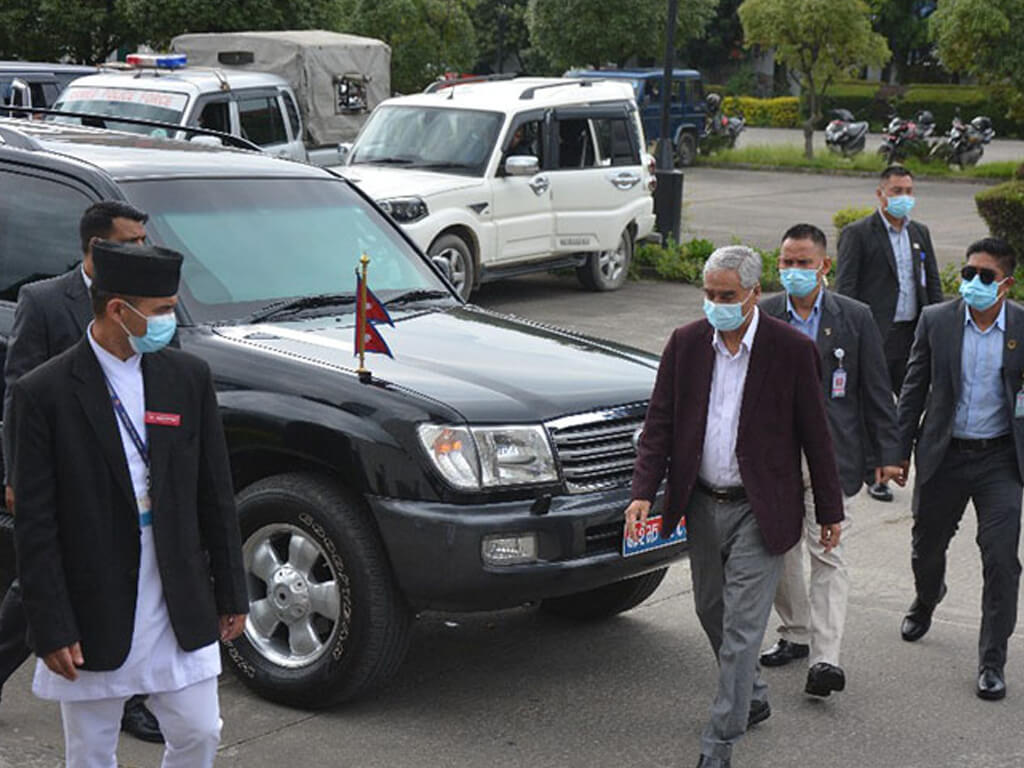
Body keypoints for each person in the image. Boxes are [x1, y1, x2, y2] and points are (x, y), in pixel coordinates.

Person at [9, 240, 248, 767]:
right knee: (92, 748)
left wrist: (232, 589)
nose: (171, 321)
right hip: (94, 600)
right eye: (162, 311)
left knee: (200, 731)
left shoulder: (186, 379)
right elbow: (36, 524)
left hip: (175, 590)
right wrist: (50, 625)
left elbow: (215, 492)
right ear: (119, 310)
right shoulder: (44, 393)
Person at [626, 245, 844, 768]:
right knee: (710, 608)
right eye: (709, 294)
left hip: (760, 506)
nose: (717, 304)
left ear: (752, 293)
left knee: (745, 628)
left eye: (727, 295)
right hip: (701, 502)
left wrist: (831, 511)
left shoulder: (789, 349)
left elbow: (817, 435)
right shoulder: (686, 344)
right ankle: (755, 694)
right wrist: (641, 491)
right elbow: (659, 426)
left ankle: (720, 739)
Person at [0, 201, 165, 743]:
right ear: (97, 247)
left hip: (133, 479)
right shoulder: (45, 302)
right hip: (70, 480)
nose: (143, 249)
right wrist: (17, 477)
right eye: (131, 241)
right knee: (37, 593)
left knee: (136, 585)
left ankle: (131, 697)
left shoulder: (149, 301)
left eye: (145, 240)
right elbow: (18, 397)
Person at [758, 224, 902, 696]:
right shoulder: (762, 314)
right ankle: (796, 632)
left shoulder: (854, 317)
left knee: (829, 553)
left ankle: (825, 658)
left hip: (833, 455)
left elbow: (876, 389)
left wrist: (887, 453)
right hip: (776, 457)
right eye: (786, 262)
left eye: (803, 263)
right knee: (780, 551)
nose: (793, 271)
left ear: (825, 266)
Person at [896, 237, 1023, 702]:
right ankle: (928, 597)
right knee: (926, 547)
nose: (973, 282)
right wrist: (897, 451)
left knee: (1001, 559)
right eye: (968, 273)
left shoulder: (1022, 326)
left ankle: (992, 660)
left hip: (1000, 459)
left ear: (1005, 285)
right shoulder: (937, 321)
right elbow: (913, 389)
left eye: (985, 276)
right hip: (944, 453)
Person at [836, 165, 943, 502]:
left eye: (909, 191)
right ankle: (875, 474)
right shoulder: (859, 233)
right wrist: (851, 336)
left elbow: (933, 283)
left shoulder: (919, 233)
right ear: (880, 194)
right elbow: (846, 289)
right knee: (876, 405)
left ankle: (910, 463)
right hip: (875, 336)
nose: (904, 198)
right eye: (897, 191)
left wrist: (939, 324)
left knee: (917, 404)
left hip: (913, 335)